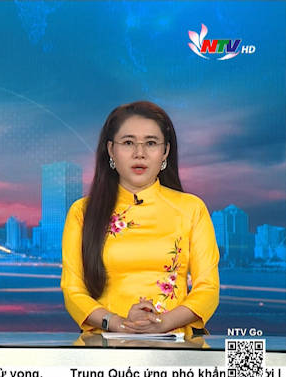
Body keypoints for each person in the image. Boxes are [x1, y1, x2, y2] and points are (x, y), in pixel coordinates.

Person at [61, 101, 219, 335]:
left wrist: (162, 323)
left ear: (165, 151)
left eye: (151, 143)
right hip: (105, 345)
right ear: (111, 150)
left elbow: (208, 289)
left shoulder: (191, 209)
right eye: (128, 143)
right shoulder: (82, 212)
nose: (139, 154)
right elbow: (73, 290)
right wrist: (119, 324)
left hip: (174, 343)